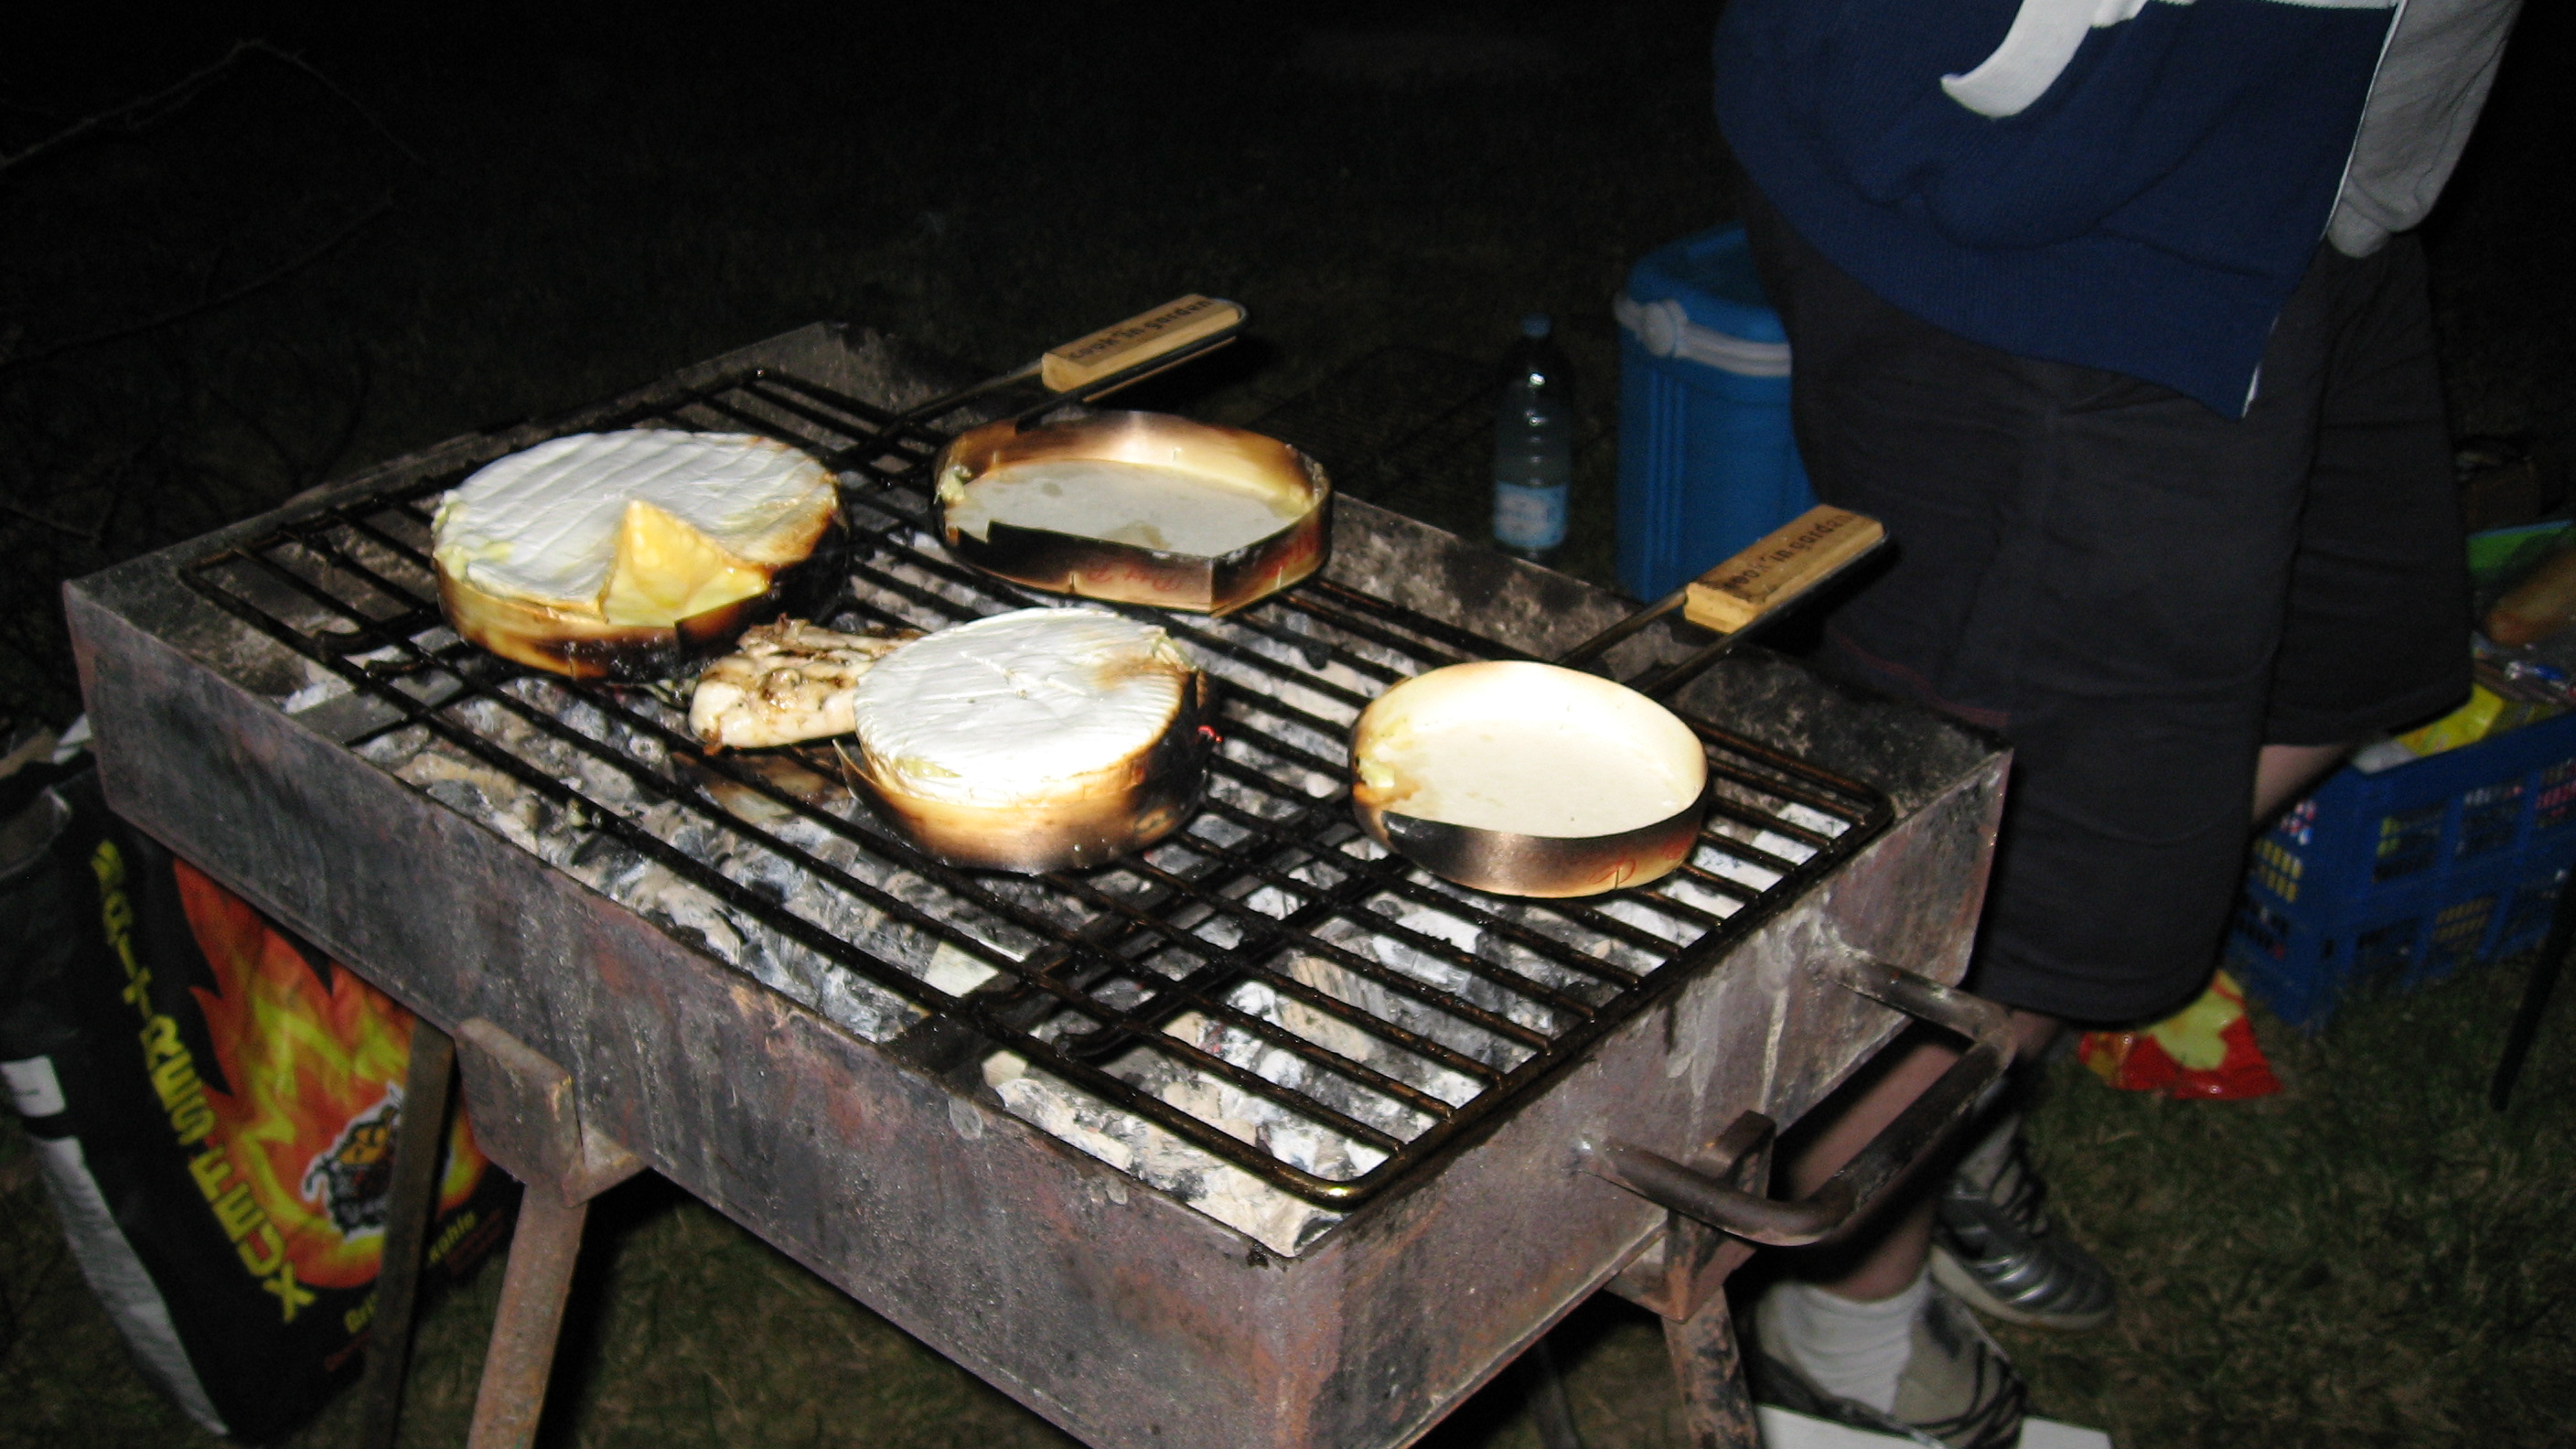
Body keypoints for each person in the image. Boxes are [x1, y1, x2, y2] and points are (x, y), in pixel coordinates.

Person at [1709, 0, 2526, 1444]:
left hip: (2300, 176)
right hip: (2066, 197)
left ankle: (1964, 1100)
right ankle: (1840, 1331)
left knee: (2359, 648)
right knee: (2010, 900)